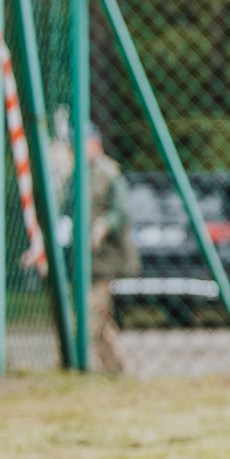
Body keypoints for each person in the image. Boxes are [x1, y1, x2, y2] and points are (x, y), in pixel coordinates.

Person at [85, 131, 139, 374]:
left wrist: (104, 225)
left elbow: (122, 211)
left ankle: (84, 367)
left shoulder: (109, 173)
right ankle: (116, 370)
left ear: (95, 143)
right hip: (88, 260)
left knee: (91, 314)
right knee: (100, 317)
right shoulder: (80, 174)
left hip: (107, 258)